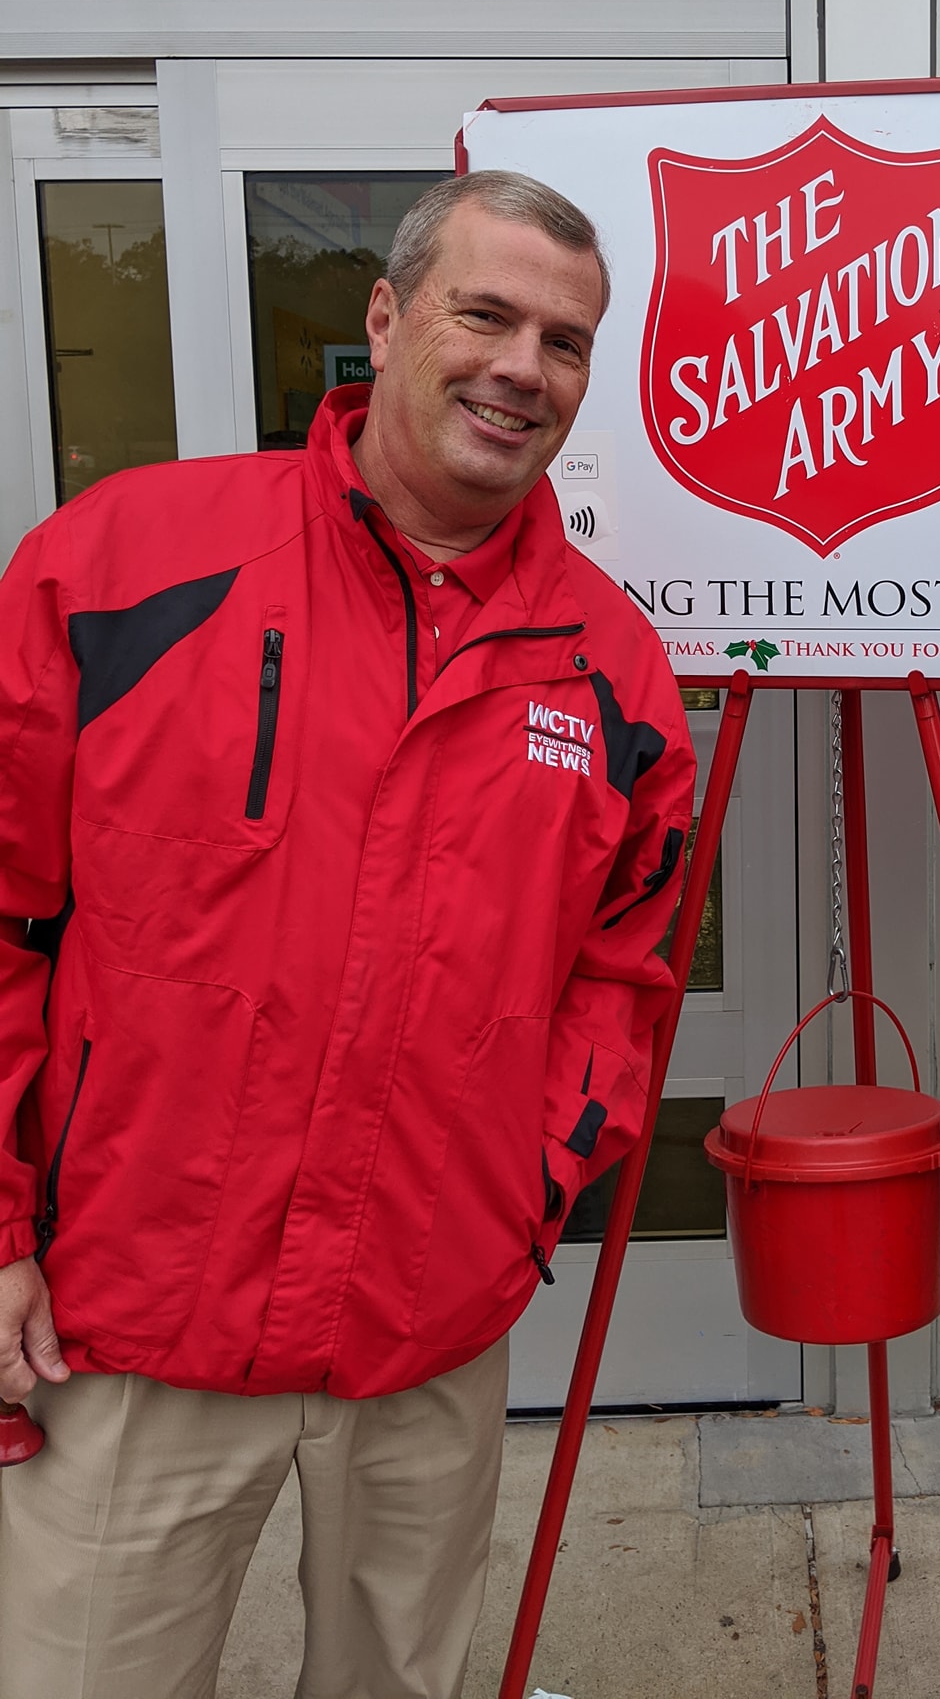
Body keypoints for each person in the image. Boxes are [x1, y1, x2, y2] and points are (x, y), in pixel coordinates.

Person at [0, 170, 695, 1698]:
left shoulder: (614, 671)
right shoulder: (123, 566)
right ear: (384, 319)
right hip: (130, 1321)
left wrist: (529, 1186)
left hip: (427, 1328)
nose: (525, 367)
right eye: (487, 314)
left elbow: (623, 978)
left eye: (566, 343)